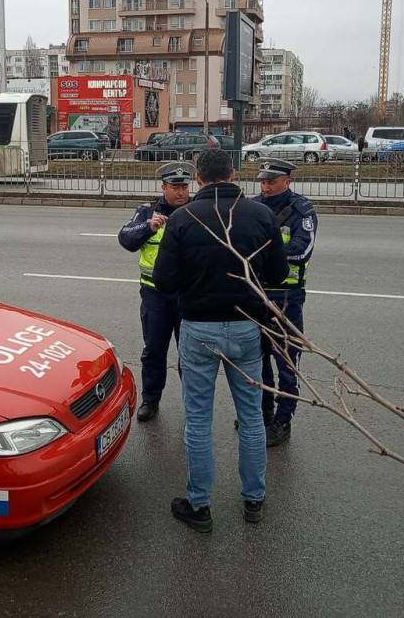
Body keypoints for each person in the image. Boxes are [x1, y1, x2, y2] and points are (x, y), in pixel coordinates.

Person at [152, 148, 288, 533]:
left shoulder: (183, 219)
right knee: (251, 418)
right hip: (247, 327)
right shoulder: (261, 215)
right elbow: (278, 274)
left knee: (198, 420)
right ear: (234, 175)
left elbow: (164, 282)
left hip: (198, 329)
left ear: (198, 178)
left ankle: (200, 505)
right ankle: (254, 500)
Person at [118, 161, 193, 422]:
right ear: (164, 188)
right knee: (154, 350)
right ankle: (151, 399)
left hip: (188, 296)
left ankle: (192, 406)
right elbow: (125, 238)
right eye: (175, 187)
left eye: (184, 186)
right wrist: (148, 227)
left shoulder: (197, 210)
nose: (181, 192)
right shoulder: (147, 212)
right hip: (155, 296)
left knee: (190, 354)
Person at [254, 158, 318, 447]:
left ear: (287, 181)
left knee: (287, 361)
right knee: (259, 358)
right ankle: (265, 411)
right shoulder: (252, 206)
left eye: (271, 181)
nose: (265, 186)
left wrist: (263, 253)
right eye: (263, 181)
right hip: (256, 294)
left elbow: (301, 251)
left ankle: (283, 419)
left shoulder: (302, 210)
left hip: (287, 297)